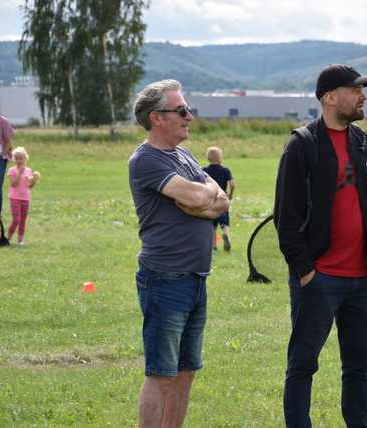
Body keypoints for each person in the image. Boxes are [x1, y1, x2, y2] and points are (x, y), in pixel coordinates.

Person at [274, 64, 367, 428]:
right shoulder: (301, 144)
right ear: (329, 97)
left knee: (359, 368)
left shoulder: (362, 141)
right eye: (356, 90)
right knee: (303, 365)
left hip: (365, 278)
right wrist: (306, 271)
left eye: (363, 89)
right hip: (320, 278)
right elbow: (285, 217)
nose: (363, 95)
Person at [128, 79, 229, 428]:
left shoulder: (183, 156)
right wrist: (203, 199)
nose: (190, 116)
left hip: (196, 277)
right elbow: (206, 198)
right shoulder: (146, 160)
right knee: (161, 374)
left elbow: (220, 199)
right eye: (182, 110)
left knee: (186, 372)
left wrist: (200, 202)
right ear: (157, 118)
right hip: (164, 279)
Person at [203, 146, 235, 251]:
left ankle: (213, 245)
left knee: (212, 224)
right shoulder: (225, 170)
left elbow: (200, 184)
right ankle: (225, 234)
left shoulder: (204, 170)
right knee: (225, 221)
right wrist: (230, 194)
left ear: (208, 158)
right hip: (222, 199)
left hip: (210, 200)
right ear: (220, 158)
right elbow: (232, 184)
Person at [7, 147, 40, 246]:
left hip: (25, 198)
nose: (18, 161)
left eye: (21, 158)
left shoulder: (29, 170)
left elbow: (29, 186)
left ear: (25, 159)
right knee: (16, 220)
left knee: (22, 221)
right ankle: (7, 238)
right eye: (16, 159)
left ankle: (20, 241)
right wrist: (20, 173)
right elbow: (13, 184)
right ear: (14, 159)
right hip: (15, 198)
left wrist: (34, 181)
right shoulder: (12, 170)